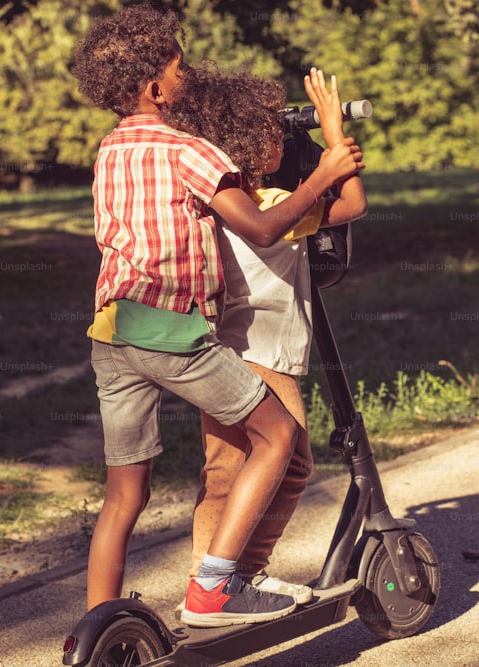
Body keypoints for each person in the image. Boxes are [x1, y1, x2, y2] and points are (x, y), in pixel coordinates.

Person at [70, 5, 364, 628]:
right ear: (154, 87)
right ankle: (215, 587)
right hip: (173, 331)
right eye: (178, 68)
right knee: (278, 435)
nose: (187, 77)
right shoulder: (189, 150)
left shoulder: (109, 149)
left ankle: (98, 628)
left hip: (111, 329)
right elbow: (261, 225)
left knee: (124, 496)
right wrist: (326, 172)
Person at [159, 65, 367, 607]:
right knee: (291, 461)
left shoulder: (217, 203)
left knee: (225, 467)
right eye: (273, 130)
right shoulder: (273, 206)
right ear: (251, 142)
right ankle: (237, 576)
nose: (282, 137)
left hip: (218, 351)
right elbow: (353, 206)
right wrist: (332, 136)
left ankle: (207, 582)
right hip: (262, 353)